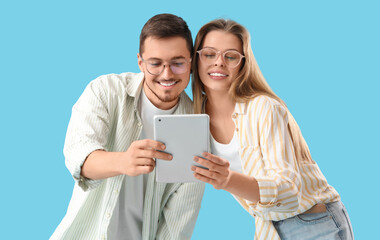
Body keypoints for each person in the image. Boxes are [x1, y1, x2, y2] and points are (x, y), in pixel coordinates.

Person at [191, 19, 354, 240]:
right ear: (196, 59)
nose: (219, 62)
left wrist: (228, 179)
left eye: (230, 56)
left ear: (243, 64)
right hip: (269, 227)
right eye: (209, 54)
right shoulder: (194, 117)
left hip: (313, 223)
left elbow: (289, 191)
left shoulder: (264, 108)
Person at [51, 14, 204, 240]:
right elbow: (77, 155)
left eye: (177, 63)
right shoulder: (105, 90)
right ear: (140, 62)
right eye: (155, 63)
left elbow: (176, 226)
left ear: (191, 63)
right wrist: (123, 161)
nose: (167, 73)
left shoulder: (195, 128)